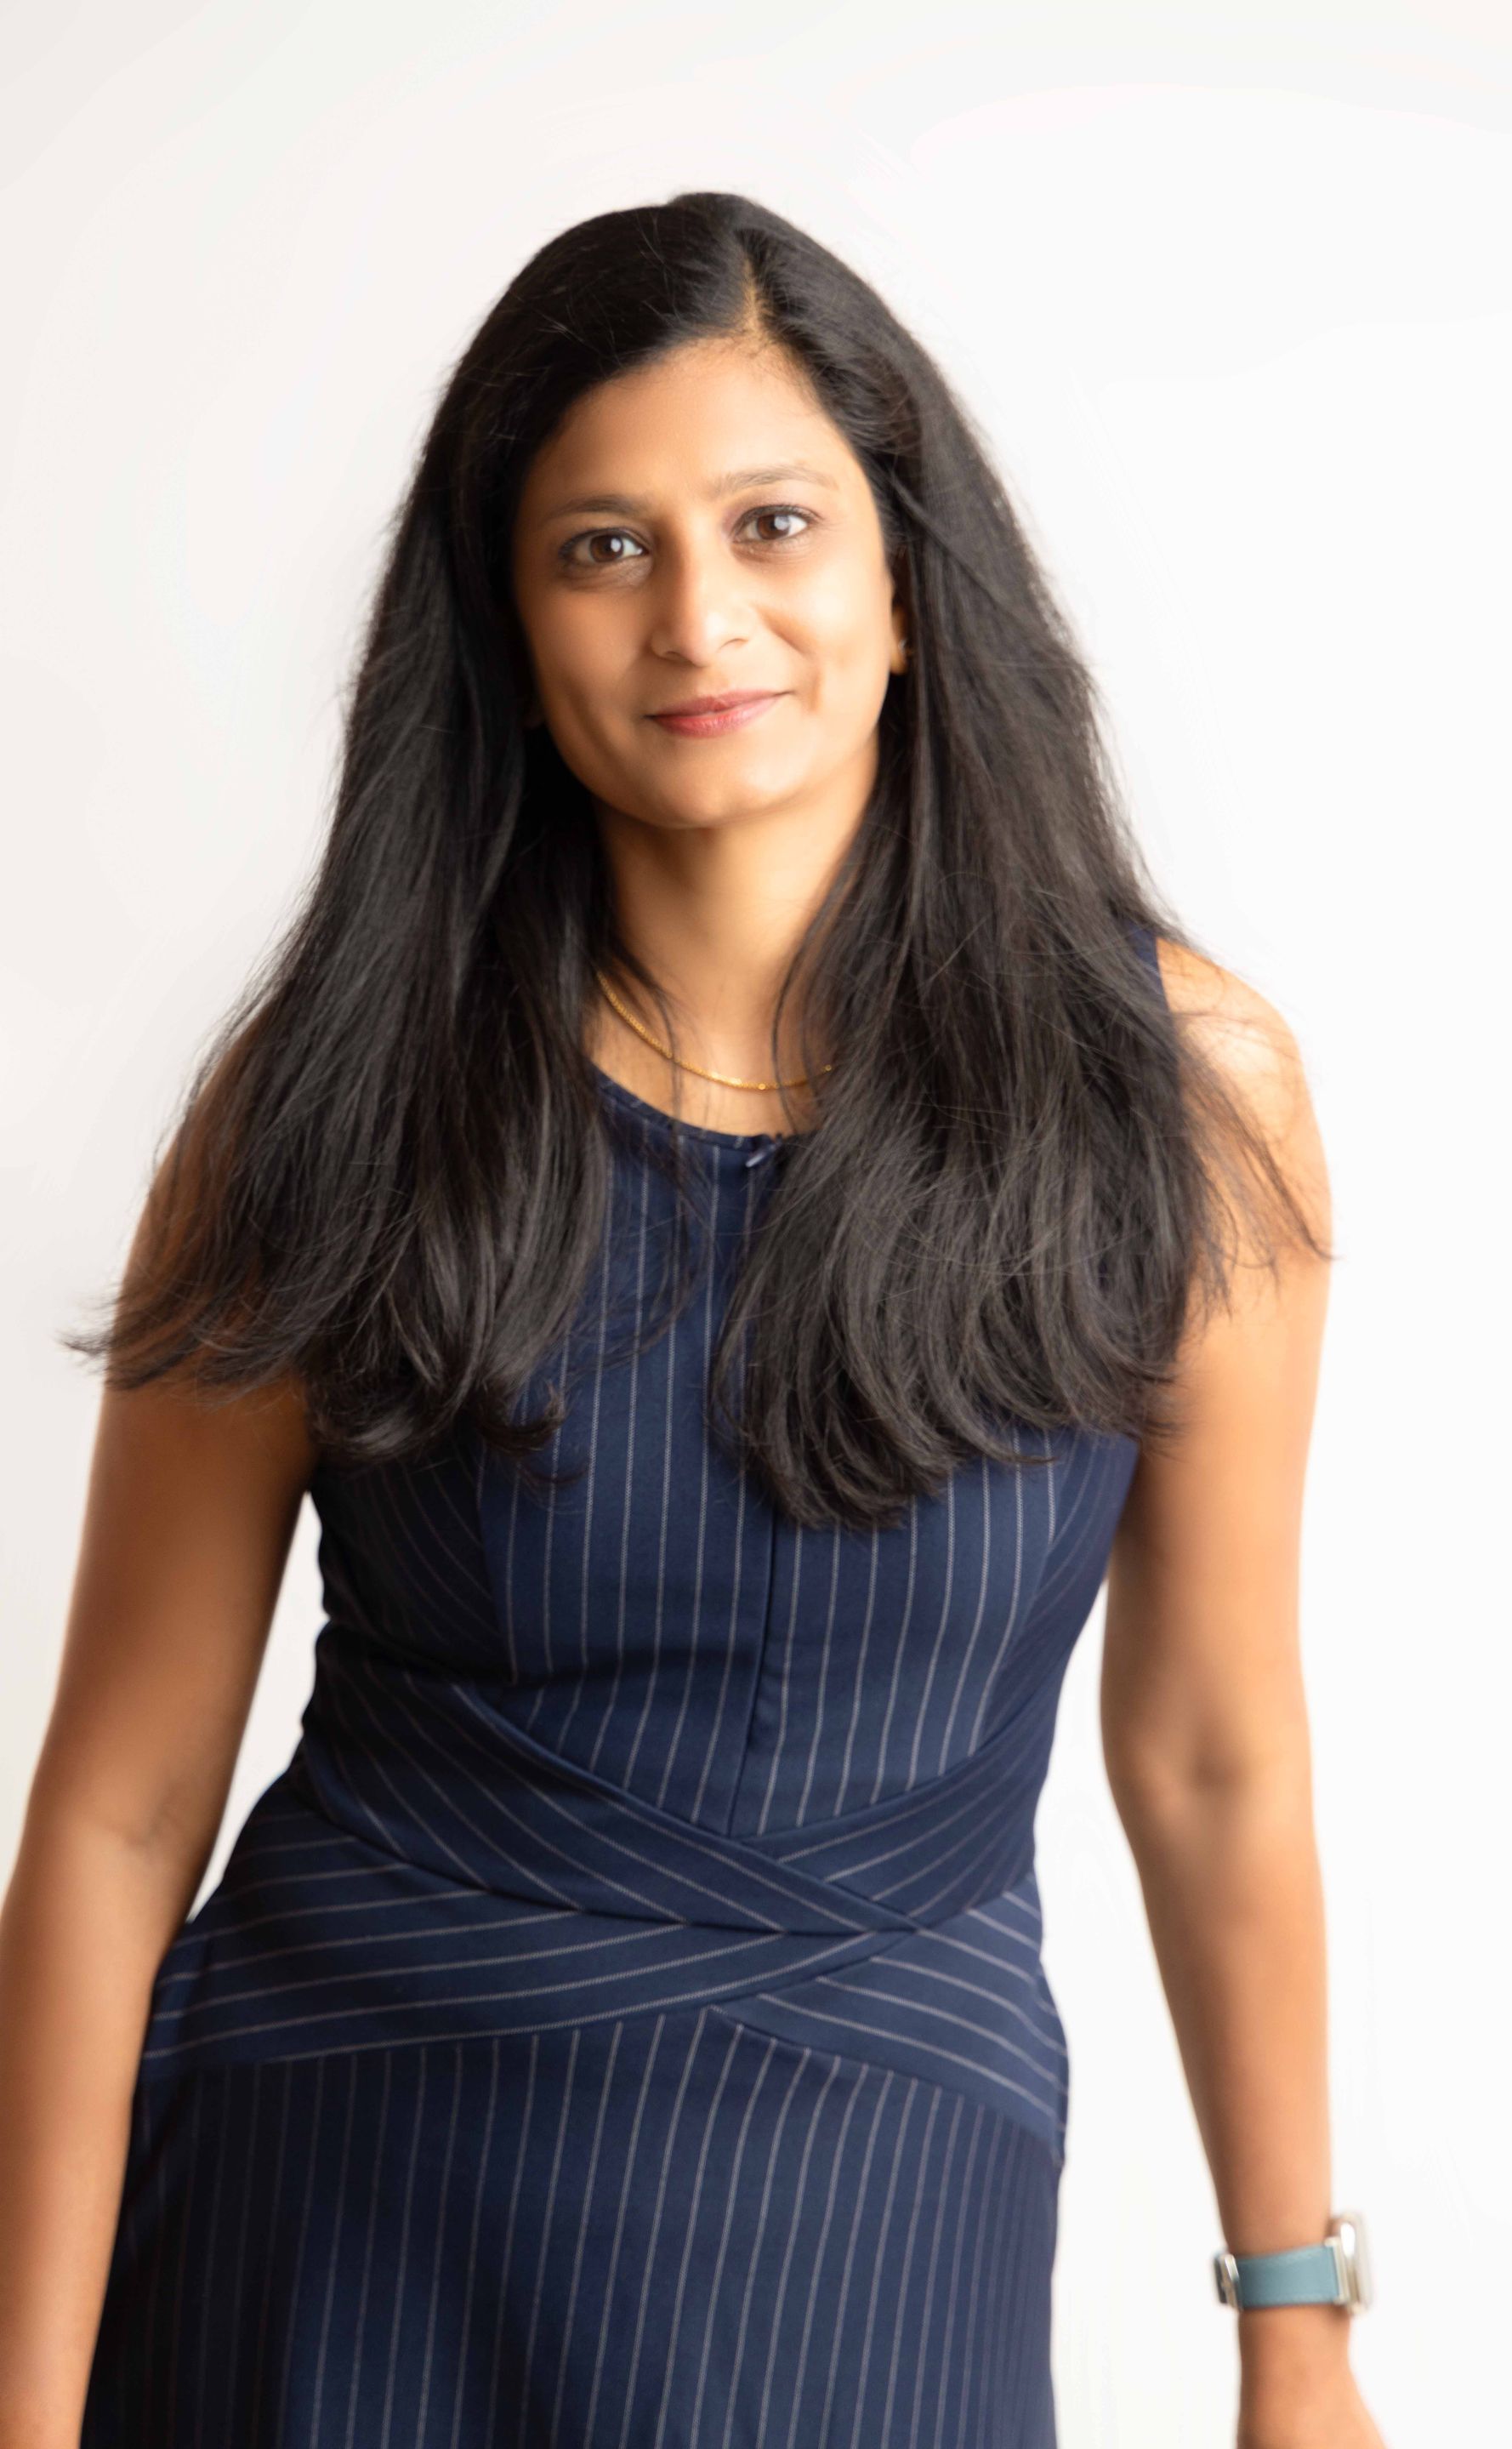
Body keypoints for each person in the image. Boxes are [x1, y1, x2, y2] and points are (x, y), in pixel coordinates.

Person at [0, 191, 1386, 2447]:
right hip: (337, 2219)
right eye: (603, 548)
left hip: (869, 2231)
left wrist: (1300, 2330)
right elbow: (123, 1805)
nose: (703, 617)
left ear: (911, 582)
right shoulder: (331, 1094)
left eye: (771, 524)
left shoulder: (1186, 1100)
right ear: (507, 623)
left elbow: (1214, 1754)